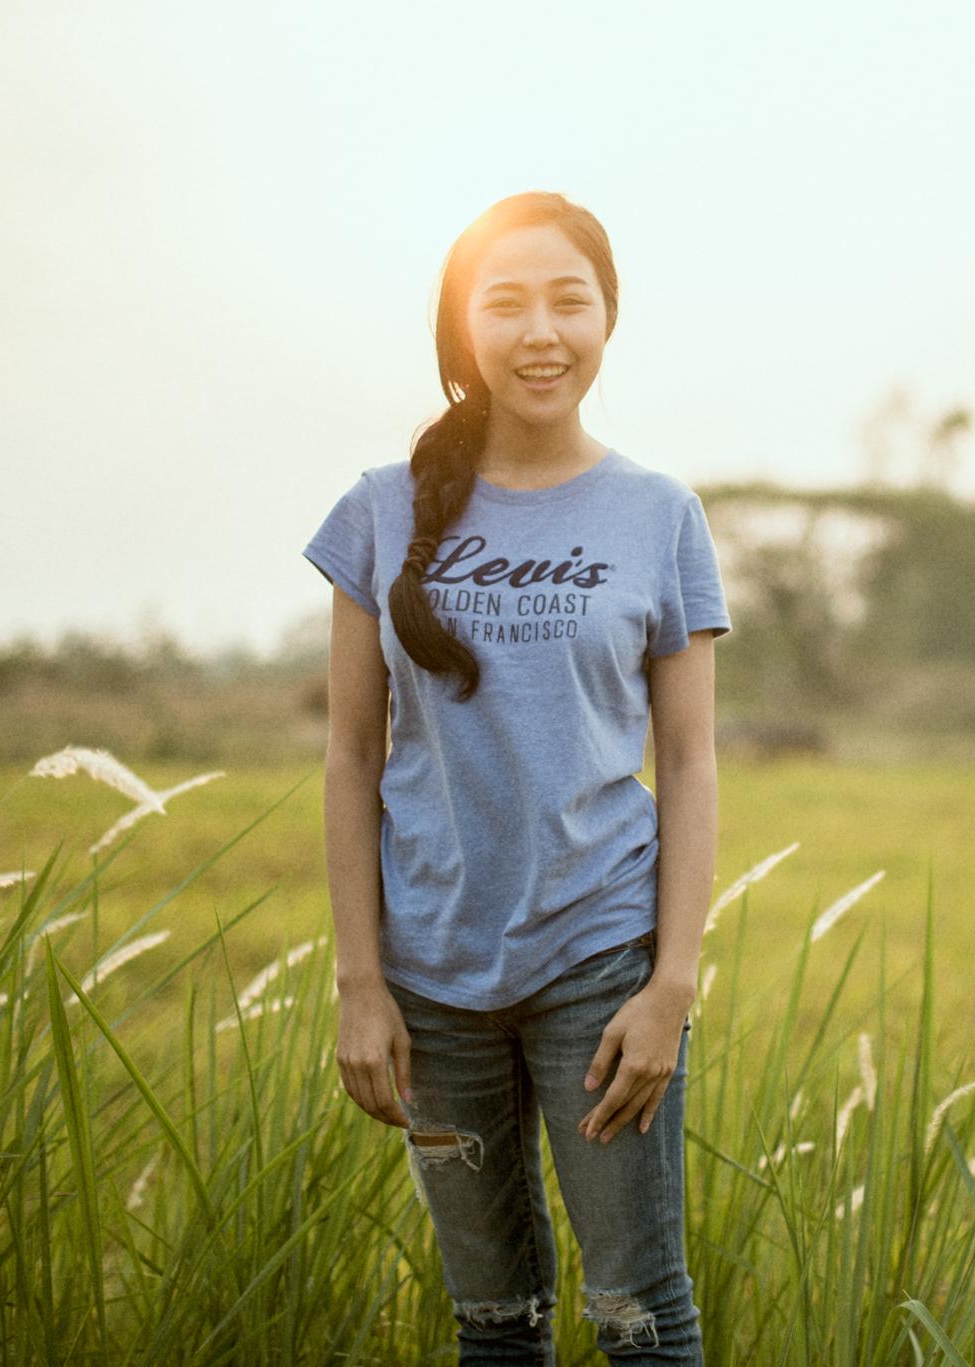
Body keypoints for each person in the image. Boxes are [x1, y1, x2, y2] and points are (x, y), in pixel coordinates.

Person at [302, 191, 728, 1365]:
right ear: (461, 328)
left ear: (607, 320)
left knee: (639, 1318)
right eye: (505, 304)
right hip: (429, 988)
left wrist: (670, 987)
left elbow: (688, 762)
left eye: (568, 302)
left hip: (598, 971)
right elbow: (348, 755)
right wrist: (360, 982)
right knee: (493, 1325)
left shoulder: (658, 515)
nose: (540, 332)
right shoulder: (378, 514)